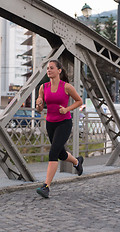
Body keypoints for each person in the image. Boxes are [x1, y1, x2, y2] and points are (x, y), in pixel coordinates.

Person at [36, 59, 83, 198]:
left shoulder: (66, 87)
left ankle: (46, 187)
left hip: (64, 123)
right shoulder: (43, 87)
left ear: (59, 71)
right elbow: (39, 108)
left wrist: (67, 109)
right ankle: (77, 161)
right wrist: (39, 104)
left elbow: (79, 101)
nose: (48, 70)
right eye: (47, 68)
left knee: (53, 153)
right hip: (50, 123)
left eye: (51, 68)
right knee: (61, 154)